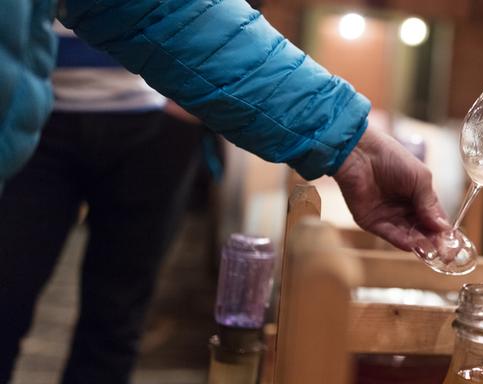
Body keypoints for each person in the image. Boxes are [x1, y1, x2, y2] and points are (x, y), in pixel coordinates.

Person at [0, 0, 448, 383]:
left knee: (116, 317)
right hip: (35, 122)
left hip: (151, 125)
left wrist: (357, 149)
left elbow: (159, 8)